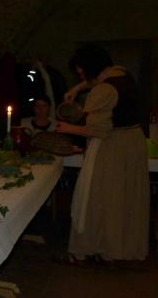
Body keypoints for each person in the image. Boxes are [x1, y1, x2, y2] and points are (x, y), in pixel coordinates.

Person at [56, 44, 148, 264]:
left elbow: (99, 129)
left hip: (112, 147)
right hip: (133, 142)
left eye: (81, 71)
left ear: (90, 68)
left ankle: (89, 249)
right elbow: (96, 81)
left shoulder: (103, 91)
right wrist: (77, 89)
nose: (80, 76)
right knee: (123, 198)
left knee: (97, 198)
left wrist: (67, 128)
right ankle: (117, 250)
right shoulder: (122, 74)